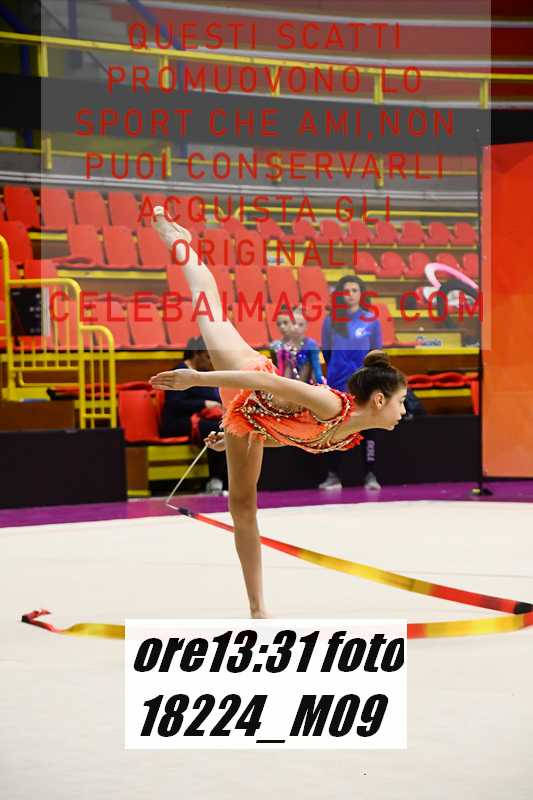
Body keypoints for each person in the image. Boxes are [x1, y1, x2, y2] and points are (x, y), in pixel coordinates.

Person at [149, 209, 408, 619]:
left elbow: (288, 434)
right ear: (378, 400)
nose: (404, 410)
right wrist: (196, 378)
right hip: (247, 378)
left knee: (242, 507)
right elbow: (265, 382)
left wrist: (234, 436)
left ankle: (256, 608)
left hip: (250, 422)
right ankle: (179, 242)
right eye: (401, 401)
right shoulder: (329, 405)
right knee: (208, 308)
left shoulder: (346, 435)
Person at [320, 275, 383, 491]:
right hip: (338, 384)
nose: (350, 295)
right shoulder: (330, 321)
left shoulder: (371, 320)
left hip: (364, 384)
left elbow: (376, 353)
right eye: (346, 291)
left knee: (368, 430)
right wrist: (338, 371)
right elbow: (326, 352)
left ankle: (370, 474)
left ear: (361, 293)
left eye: (355, 290)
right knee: (337, 428)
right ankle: (333, 475)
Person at [159, 336, 227, 495]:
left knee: (229, 427)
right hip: (177, 422)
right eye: (208, 357)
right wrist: (204, 404)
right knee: (215, 430)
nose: (211, 361)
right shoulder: (179, 371)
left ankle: (227, 480)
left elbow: (217, 399)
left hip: (202, 419)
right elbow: (175, 404)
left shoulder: (206, 374)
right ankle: (216, 480)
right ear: (197, 353)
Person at [270, 305, 326, 384]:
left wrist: (320, 384)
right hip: (286, 385)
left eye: (300, 325)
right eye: (293, 323)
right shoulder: (279, 346)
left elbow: (316, 370)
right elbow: (280, 370)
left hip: (305, 385)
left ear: (306, 326)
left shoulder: (310, 344)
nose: (296, 327)